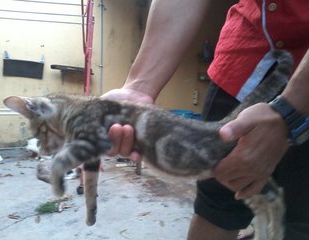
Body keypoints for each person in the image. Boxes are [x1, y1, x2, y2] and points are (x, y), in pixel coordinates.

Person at [102, 0, 309, 239]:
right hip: (244, 58)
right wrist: (140, 87)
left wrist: (290, 111)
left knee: (300, 219)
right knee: (216, 201)